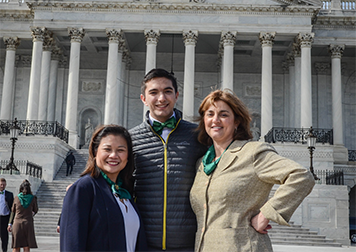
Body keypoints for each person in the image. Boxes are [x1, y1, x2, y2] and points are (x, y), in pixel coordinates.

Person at [190, 89, 315, 252]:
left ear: (236, 122)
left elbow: (301, 176)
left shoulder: (252, 152)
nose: (216, 120)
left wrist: (266, 214)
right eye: (210, 114)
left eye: (224, 114)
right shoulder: (201, 163)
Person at [130, 68, 206, 252]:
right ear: (143, 99)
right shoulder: (130, 139)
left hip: (188, 244)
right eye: (153, 92)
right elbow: (111, 182)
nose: (161, 98)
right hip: (144, 244)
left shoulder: (198, 136)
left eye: (167, 91)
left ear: (177, 95)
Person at [60, 125, 147, 252]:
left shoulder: (125, 191)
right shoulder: (83, 188)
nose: (113, 155)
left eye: (121, 150)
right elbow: (72, 244)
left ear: (128, 156)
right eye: (107, 149)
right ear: (95, 152)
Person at [8, 180, 38, 252]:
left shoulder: (16, 198)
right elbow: (35, 210)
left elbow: (13, 211)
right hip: (28, 223)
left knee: (16, 246)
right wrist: (31, 214)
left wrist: (9, 223)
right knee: (26, 246)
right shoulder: (32, 198)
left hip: (17, 223)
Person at [0, 178, 13, 252]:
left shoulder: (9, 194)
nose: (2, 186)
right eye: (1, 184)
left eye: (4, 184)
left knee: (4, 238)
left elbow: (12, 209)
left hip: (5, 218)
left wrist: (10, 222)